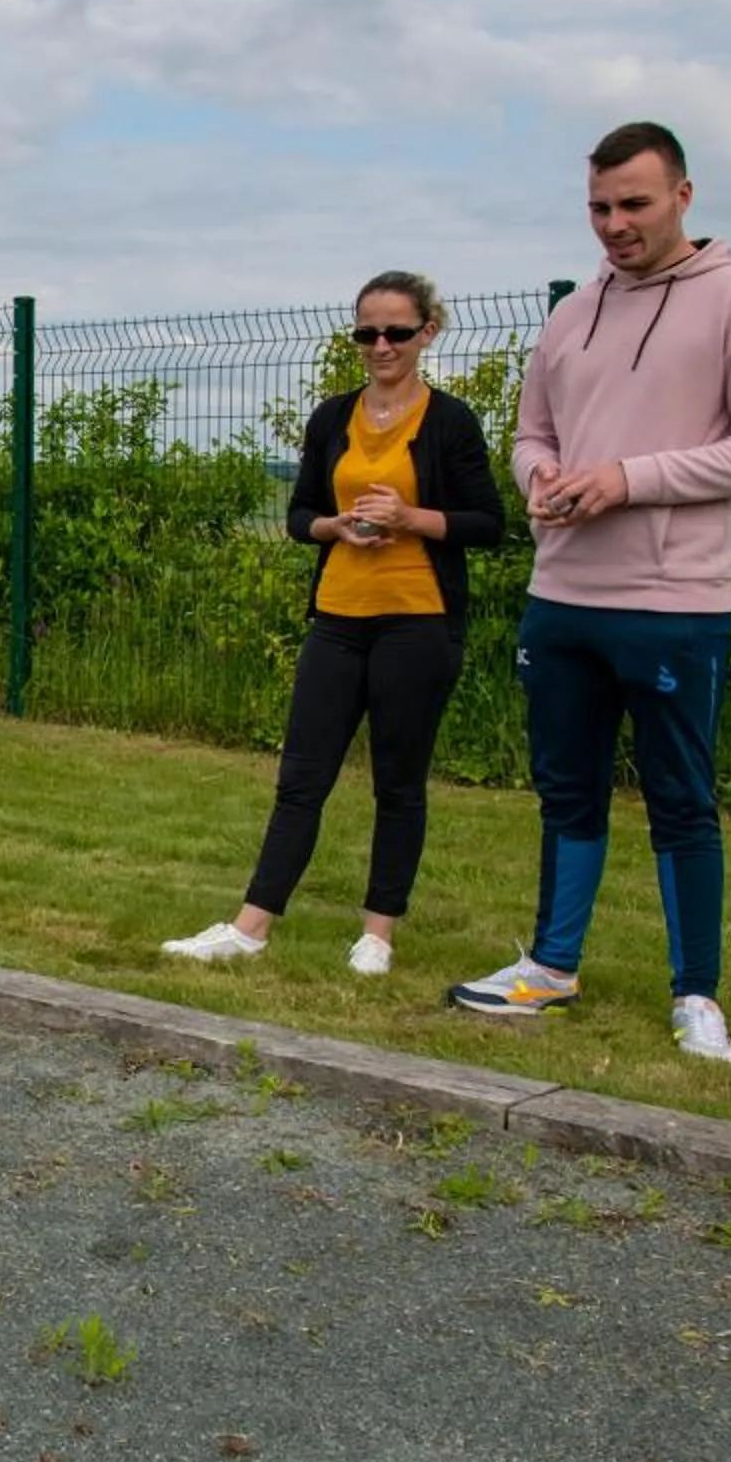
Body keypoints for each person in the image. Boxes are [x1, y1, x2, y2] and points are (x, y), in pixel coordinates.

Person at [447, 122, 731, 1062]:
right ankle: (551, 967)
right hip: (562, 594)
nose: (614, 225)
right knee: (567, 791)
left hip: (676, 599)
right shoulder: (573, 314)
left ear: (684, 196)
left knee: (682, 798)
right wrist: (540, 478)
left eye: (634, 204)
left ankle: (697, 997)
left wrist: (627, 479)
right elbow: (533, 433)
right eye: (600, 207)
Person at [164, 272, 505, 975]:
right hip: (338, 619)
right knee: (301, 777)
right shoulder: (332, 417)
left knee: (398, 782)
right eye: (367, 333)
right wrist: (335, 528)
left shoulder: (450, 422)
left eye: (396, 333)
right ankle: (250, 927)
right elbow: (298, 517)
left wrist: (410, 519)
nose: (380, 346)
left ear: (427, 333)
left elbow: (489, 524)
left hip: (418, 622)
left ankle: (377, 934)